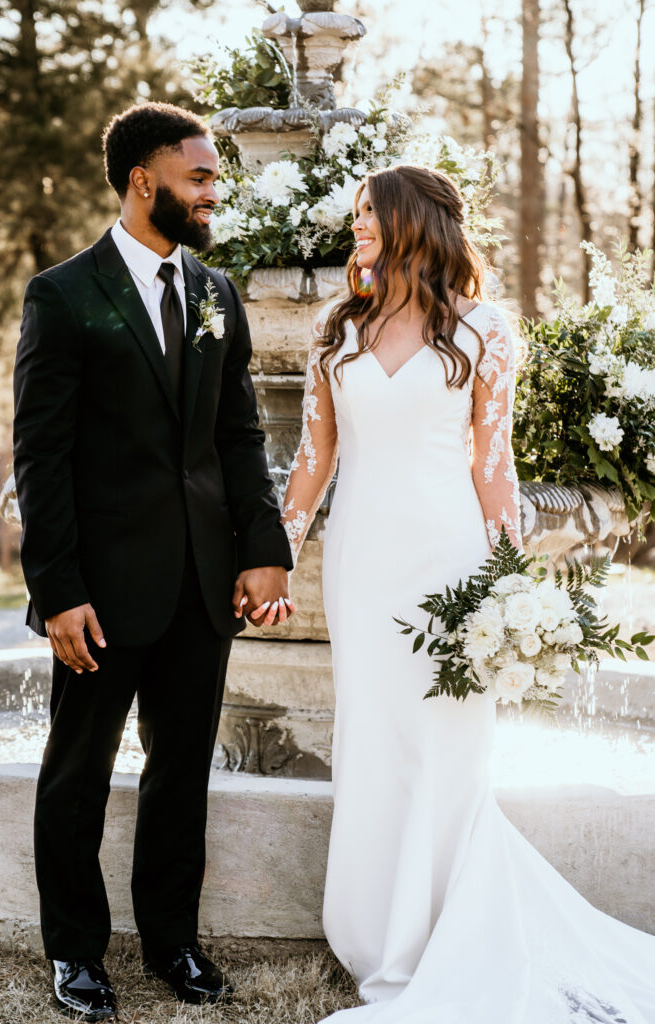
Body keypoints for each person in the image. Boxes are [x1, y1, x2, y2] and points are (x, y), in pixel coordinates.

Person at [280, 164, 655, 1024]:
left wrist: (509, 585)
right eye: (353, 220)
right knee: (372, 739)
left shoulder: (484, 331)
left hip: (449, 562)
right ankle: (378, 936)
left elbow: (495, 465)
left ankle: (446, 931)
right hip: (362, 564)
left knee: (446, 748)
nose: (356, 233)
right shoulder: (333, 328)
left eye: (368, 217)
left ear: (412, 222)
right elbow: (313, 458)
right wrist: (278, 553)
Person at [13, 101, 294, 1022]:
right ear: (145, 180)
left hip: (201, 584)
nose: (215, 191)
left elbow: (238, 433)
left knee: (181, 769)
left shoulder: (216, 294)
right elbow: (40, 457)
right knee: (78, 770)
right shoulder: (63, 294)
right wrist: (58, 590)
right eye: (200, 176)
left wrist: (263, 551)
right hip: (97, 591)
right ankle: (76, 956)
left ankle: (172, 940)